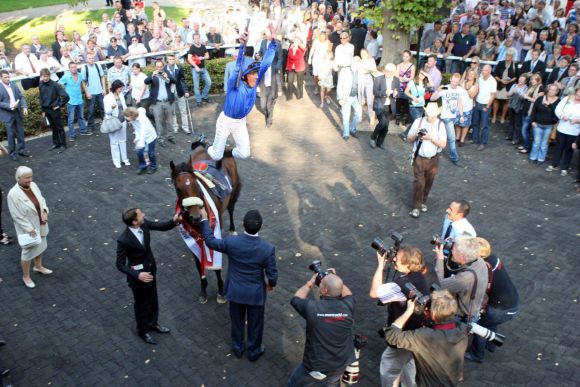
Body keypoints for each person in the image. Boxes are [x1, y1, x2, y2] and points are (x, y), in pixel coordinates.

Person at [199, 209, 278, 361]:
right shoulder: (267, 249)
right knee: (255, 324)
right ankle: (254, 351)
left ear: (243, 225)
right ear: (260, 226)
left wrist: (203, 220)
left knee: (237, 321)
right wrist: (271, 284)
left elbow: (210, 242)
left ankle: (238, 348)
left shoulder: (231, 242)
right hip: (255, 294)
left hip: (235, 291)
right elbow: (272, 273)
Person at [369, 247, 437, 387]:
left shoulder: (401, 285)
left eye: (397, 260)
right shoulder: (424, 273)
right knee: (409, 362)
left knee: (388, 367)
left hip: (403, 335)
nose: (394, 259)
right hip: (417, 332)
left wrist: (381, 265)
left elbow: (374, 293)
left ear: (408, 265)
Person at [205, 31, 277, 162]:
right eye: (253, 74)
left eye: (257, 74)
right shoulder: (234, 84)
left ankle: (226, 153)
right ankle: (206, 146)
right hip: (226, 122)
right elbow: (238, 67)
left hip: (240, 123)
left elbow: (266, 63)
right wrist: (243, 46)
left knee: (244, 154)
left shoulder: (254, 82)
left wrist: (273, 42)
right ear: (245, 75)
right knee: (216, 156)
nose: (256, 77)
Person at [116, 207, 180, 344]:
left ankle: (153, 323)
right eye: (140, 215)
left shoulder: (144, 224)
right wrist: (137, 275)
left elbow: (161, 226)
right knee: (141, 304)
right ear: (134, 222)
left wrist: (174, 221)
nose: (144, 215)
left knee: (153, 299)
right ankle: (142, 330)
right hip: (138, 278)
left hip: (151, 270)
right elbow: (120, 264)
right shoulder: (124, 240)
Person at [384, 289, 469, 387]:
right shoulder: (462, 329)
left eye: (427, 308)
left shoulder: (424, 336)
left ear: (432, 314)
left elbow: (391, 335)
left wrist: (409, 311)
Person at [287, 270, 354, 386]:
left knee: (294, 383)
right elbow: (348, 293)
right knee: (333, 382)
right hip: (341, 361)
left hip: (316, 365)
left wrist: (311, 282)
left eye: (321, 286)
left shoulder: (313, 308)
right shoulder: (349, 305)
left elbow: (296, 299)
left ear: (324, 290)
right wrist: (336, 279)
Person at [465, 238, 519, 363]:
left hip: (501, 308)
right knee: (490, 323)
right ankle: (491, 344)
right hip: (511, 302)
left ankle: (477, 355)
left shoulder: (484, 267)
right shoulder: (492, 258)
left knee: (480, 327)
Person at [7, 166, 52, 289]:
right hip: (29, 230)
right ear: (18, 178)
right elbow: (16, 216)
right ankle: (26, 276)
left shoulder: (33, 185)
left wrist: (45, 211)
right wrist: (30, 229)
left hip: (41, 224)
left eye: (31, 176)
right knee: (27, 253)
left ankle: (38, 266)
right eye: (27, 178)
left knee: (41, 245)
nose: (30, 180)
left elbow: (41, 200)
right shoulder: (13, 194)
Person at [434, 236, 488, 322]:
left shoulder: (464, 278)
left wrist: (440, 260)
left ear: (463, 257)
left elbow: (441, 284)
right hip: (474, 308)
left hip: (462, 317)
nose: (451, 250)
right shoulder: (479, 260)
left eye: (454, 250)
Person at [407, 103, 447, 219]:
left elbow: (443, 144)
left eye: (433, 114)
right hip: (419, 157)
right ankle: (416, 206)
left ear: (437, 113)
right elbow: (409, 139)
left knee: (429, 181)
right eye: (429, 113)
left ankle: (423, 201)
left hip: (434, 159)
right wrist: (417, 135)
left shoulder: (441, 125)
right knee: (419, 182)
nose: (430, 116)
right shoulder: (418, 122)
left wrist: (431, 138)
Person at [431, 73, 465, 167]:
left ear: (459, 82)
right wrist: (437, 91)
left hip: (453, 117)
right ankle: (455, 158)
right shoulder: (445, 88)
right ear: (450, 79)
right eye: (453, 81)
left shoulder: (459, 90)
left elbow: (459, 102)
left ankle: (436, 150)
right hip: (445, 117)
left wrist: (461, 115)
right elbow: (432, 98)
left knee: (441, 134)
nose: (454, 83)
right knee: (452, 138)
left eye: (456, 82)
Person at [546, 87, 580, 176]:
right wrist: (561, 116)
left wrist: (578, 120)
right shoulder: (567, 98)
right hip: (562, 128)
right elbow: (558, 109)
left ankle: (565, 167)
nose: (578, 95)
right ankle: (554, 164)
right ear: (576, 91)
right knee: (559, 147)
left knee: (569, 149)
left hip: (574, 131)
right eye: (578, 93)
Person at [0, 70, 31, 162]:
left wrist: (24, 107)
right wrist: (9, 106)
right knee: (10, 134)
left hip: (17, 112)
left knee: (20, 132)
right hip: (7, 114)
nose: (7, 78)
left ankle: (21, 150)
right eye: (5, 77)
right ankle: (12, 153)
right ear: (1, 78)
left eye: (8, 76)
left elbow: (21, 97)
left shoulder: (13, 85)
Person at [145, 59, 177, 147]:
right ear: (155, 67)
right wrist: (152, 75)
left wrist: (168, 76)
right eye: (157, 66)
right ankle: (160, 138)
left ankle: (170, 136)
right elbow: (146, 81)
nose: (159, 68)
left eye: (161, 66)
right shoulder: (153, 74)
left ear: (163, 66)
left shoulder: (167, 73)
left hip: (168, 101)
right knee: (158, 121)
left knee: (170, 121)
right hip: (157, 103)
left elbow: (175, 81)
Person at [39, 68, 70, 153]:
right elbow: (41, 97)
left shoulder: (55, 85)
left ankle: (63, 145)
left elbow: (66, 96)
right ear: (41, 76)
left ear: (49, 76)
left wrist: (59, 105)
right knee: (53, 128)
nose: (45, 78)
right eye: (44, 76)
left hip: (54, 109)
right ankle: (56, 144)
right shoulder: (40, 84)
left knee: (59, 127)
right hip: (46, 109)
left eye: (47, 76)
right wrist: (43, 110)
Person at [257, 29, 283, 127]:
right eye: (266, 35)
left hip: (273, 73)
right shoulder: (263, 42)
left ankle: (269, 120)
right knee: (263, 105)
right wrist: (258, 54)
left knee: (270, 103)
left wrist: (277, 68)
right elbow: (260, 52)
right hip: (264, 79)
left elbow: (280, 58)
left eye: (269, 35)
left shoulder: (277, 43)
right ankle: (267, 113)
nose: (267, 37)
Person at [370, 63, 399, 149]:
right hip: (380, 105)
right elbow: (375, 92)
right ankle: (373, 137)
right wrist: (384, 93)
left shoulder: (396, 80)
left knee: (386, 127)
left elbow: (398, 93)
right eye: (386, 71)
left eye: (390, 71)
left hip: (390, 106)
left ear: (393, 72)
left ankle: (380, 142)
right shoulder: (378, 79)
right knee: (382, 122)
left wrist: (395, 94)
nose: (388, 73)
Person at [529, 84, 560, 165]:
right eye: (550, 89)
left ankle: (541, 158)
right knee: (536, 142)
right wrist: (532, 121)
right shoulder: (540, 98)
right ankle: (533, 157)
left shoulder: (558, 101)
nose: (551, 91)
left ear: (557, 91)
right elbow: (534, 110)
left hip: (549, 125)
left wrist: (549, 105)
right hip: (537, 124)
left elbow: (557, 112)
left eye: (553, 90)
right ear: (548, 90)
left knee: (544, 143)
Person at [123, 107, 158, 175]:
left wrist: (140, 144)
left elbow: (143, 132)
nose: (125, 117)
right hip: (142, 136)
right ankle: (143, 166)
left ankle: (153, 167)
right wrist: (136, 138)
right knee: (139, 152)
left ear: (131, 116)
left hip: (150, 136)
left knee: (151, 153)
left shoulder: (142, 119)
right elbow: (137, 129)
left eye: (126, 116)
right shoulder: (132, 119)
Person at [104, 80, 130, 169]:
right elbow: (107, 112)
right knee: (114, 142)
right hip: (113, 122)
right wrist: (112, 107)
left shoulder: (121, 95)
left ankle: (125, 159)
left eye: (122, 88)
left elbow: (124, 107)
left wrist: (127, 118)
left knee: (123, 140)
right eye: (119, 88)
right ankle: (116, 161)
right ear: (115, 88)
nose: (121, 90)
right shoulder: (107, 97)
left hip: (123, 120)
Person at [471, 64, 497, 151]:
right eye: (482, 70)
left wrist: (487, 106)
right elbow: (477, 89)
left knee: (485, 125)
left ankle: (483, 143)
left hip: (485, 105)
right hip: (477, 103)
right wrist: (474, 101)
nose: (483, 71)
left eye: (485, 70)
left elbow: (493, 95)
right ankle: (475, 139)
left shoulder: (493, 81)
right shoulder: (481, 78)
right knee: (475, 122)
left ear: (489, 71)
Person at [165, 54, 191, 134]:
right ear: (167, 60)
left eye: (173, 59)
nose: (171, 60)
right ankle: (175, 127)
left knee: (183, 110)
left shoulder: (179, 68)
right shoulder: (164, 69)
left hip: (180, 91)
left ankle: (185, 127)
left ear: (175, 59)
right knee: (173, 111)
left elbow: (183, 80)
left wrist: (186, 91)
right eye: (170, 59)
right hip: (170, 92)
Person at [81, 53, 107, 134]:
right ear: (86, 59)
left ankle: (106, 125)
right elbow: (83, 82)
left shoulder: (97, 65)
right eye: (89, 58)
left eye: (92, 58)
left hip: (100, 92)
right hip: (91, 93)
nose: (91, 60)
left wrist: (104, 89)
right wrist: (87, 92)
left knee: (103, 109)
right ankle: (90, 127)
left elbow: (102, 77)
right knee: (90, 111)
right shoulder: (84, 68)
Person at [187, 33, 211, 107]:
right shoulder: (192, 48)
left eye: (198, 38)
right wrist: (196, 66)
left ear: (199, 38)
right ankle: (198, 100)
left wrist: (202, 58)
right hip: (195, 69)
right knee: (196, 86)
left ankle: (204, 96)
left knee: (209, 82)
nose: (197, 39)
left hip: (203, 68)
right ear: (193, 39)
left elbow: (207, 56)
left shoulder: (203, 46)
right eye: (195, 38)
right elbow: (189, 58)